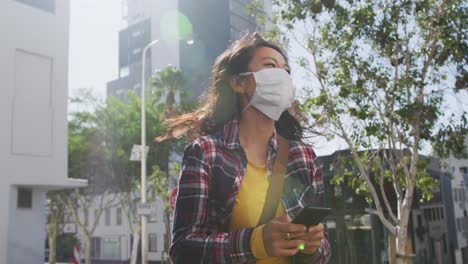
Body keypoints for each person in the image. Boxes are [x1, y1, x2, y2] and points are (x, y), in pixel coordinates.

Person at [166, 32, 331, 263]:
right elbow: (183, 251)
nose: (282, 77)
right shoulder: (206, 153)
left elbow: (321, 252)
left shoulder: (304, 157)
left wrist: (311, 246)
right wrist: (255, 242)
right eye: (270, 66)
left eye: (286, 71)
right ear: (238, 82)